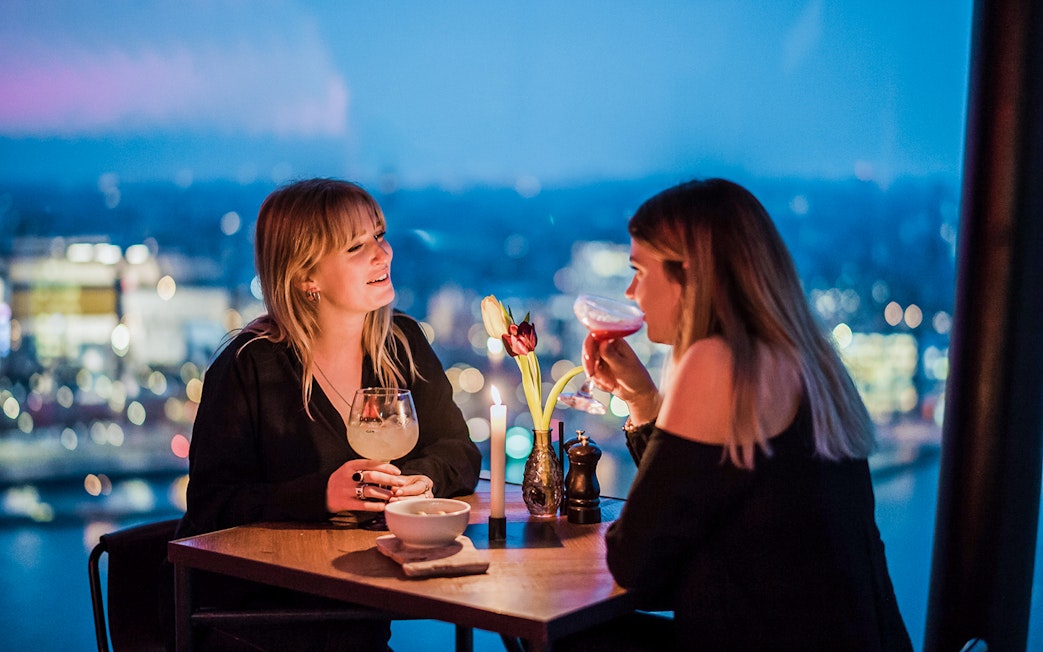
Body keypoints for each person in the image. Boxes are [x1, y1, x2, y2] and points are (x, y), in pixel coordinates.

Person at [581, 178, 913, 650]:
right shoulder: (808, 359)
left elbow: (638, 564)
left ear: (690, 272)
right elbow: (707, 501)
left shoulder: (718, 361)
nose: (633, 292)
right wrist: (641, 400)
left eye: (640, 270)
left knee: (563, 636)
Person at [173, 178, 482, 651]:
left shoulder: (402, 344)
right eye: (358, 246)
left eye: (379, 235)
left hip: (356, 613)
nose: (385, 253)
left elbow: (459, 451)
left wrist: (420, 480)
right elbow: (210, 507)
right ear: (306, 277)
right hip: (252, 622)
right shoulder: (250, 365)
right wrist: (322, 495)